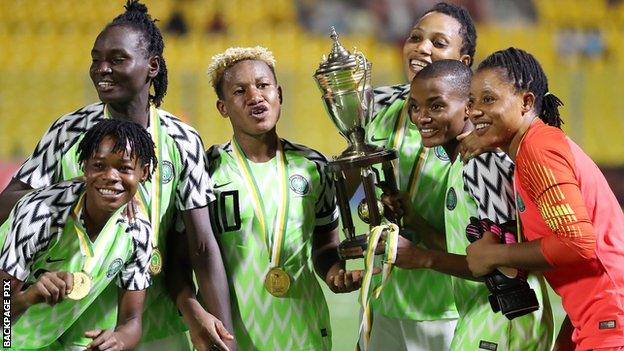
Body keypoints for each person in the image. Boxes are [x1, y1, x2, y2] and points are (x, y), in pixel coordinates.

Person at [0, 1, 234, 350]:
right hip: (71, 311)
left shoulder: (182, 139)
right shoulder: (70, 129)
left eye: (116, 59)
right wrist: (78, 190)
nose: (101, 69)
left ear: (152, 66)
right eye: (96, 59)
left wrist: (223, 334)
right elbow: (8, 205)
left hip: (150, 308)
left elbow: (200, 245)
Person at [383, 59, 554, 349]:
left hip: (508, 318)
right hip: (485, 314)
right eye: (415, 106)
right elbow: (473, 253)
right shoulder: (460, 164)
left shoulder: (483, 164)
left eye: (436, 106)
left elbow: (508, 268)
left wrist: (423, 258)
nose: (422, 117)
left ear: (468, 108)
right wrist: (416, 224)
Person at [204, 46, 367, 350]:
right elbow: (197, 255)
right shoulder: (207, 170)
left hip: (304, 328)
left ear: (279, 93)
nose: (255, 96)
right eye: (240, 91)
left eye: (263, 85)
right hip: (234, 334)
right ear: (223, 107)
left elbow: (324, 244)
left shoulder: (313, 166)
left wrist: (334, 272)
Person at [465, 47, 624, 350]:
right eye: (472, 102)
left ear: (526, 102)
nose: (474, 111)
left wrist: (493, 255)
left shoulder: (538, 150)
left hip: (612, 322)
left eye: (488, 99)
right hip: (596, 318)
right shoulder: (534, 147)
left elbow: (576, 243)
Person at [361, 2, 476, 349]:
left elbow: (482, 251)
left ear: (463, 61)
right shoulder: (379, 111)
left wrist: (421, 232)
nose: (422, 48)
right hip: (383, 301)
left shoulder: (477, 134)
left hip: (447, 311)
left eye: (439, 43)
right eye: (415, 37)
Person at [0, 119, 153, 350]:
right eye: (99, 166)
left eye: (123, 168)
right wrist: (28, 296)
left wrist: (119, 339)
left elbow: (131, 321)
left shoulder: (138, 230)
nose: (110, 176)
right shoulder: (40, 213)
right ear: (85, 166)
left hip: (42, 343)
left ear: (144, 172)